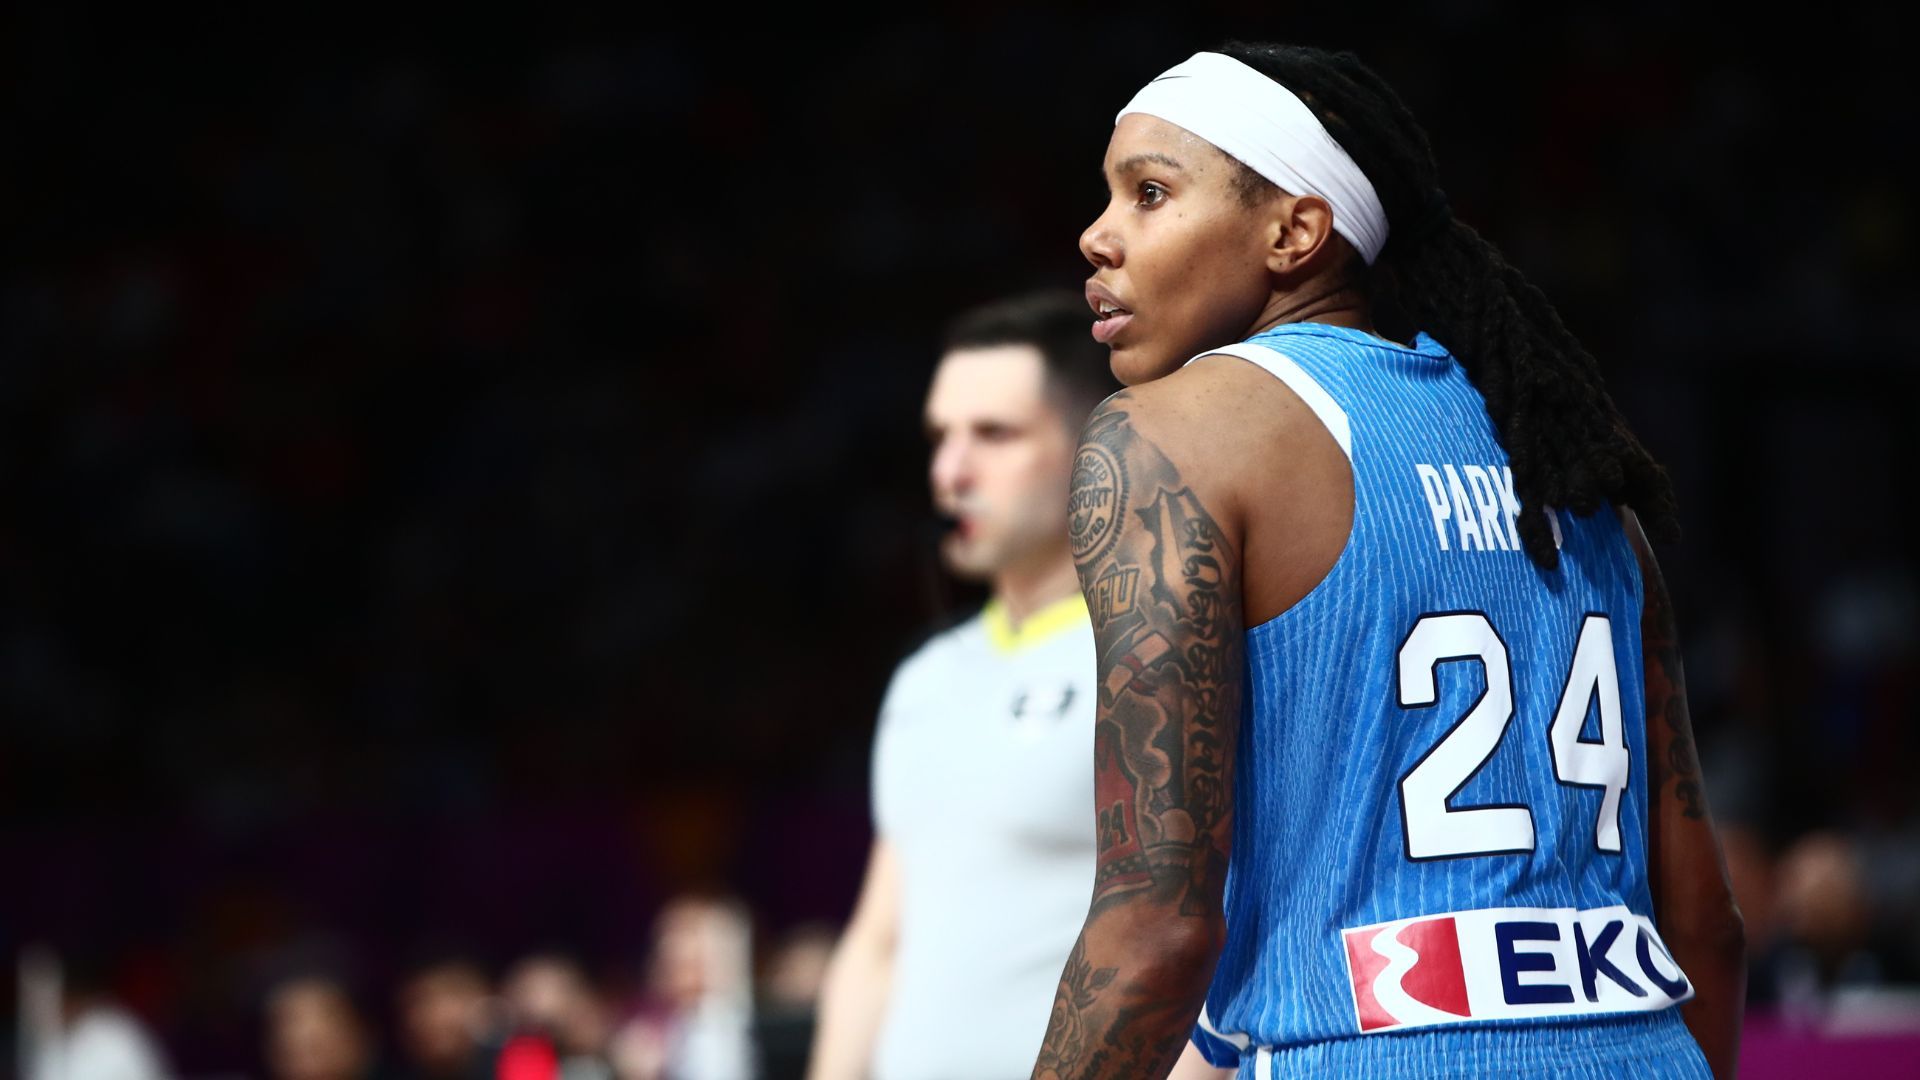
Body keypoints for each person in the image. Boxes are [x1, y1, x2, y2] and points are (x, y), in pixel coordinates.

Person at [1031, 43, 1745, 1079]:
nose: (1096, 235)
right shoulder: (1574, 461)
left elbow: (1159, 931)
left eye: (1149, 194)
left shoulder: (1175, 435)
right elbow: (1706, 922)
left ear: (1294, 232)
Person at [806, 291, 1118, 1080]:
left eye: (994, 434)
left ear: (1095, 445)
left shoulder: (1153, 654)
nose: (949, 473)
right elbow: (879, 943)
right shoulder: (924, 679)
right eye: (941, 437)